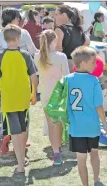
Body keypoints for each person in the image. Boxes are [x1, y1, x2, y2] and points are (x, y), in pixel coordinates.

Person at [0, 24, 38, 174]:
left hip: (9, 98)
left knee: (15, 132)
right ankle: (22, 159)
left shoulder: (0, 56)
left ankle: (21, 165)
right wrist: (34, 93)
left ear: (5, 39)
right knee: (22, 129)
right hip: (23, 96)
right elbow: (34, 76)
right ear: (19, 38)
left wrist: (5, 82)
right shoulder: (25, 55)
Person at [67, 46, 107, 186]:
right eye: (92, 62)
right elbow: (99, 106)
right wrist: (104, 124)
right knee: (94, 153)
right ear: (83, 63)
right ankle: (97, 179)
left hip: (76, 127)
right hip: (92, 126)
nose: (95, 65)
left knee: (81, 159)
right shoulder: (93, 81)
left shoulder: (67, 80)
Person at [34, 30, 69, 165]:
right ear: (54, 41)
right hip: (59, 93)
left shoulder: (38, 57)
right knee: (58, 123)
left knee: (50, 124)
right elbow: (66, 76)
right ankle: (58, 147)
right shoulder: (61, 57)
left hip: (45, 93)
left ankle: (56, 152)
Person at [54, 5, 90, 72]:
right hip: (78, 65)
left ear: (64, 15)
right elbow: (87, 42)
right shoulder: (78, 29)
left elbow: (57, 50)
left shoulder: (60, 29)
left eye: (56, 14)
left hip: (65, 65)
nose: (54, 17)